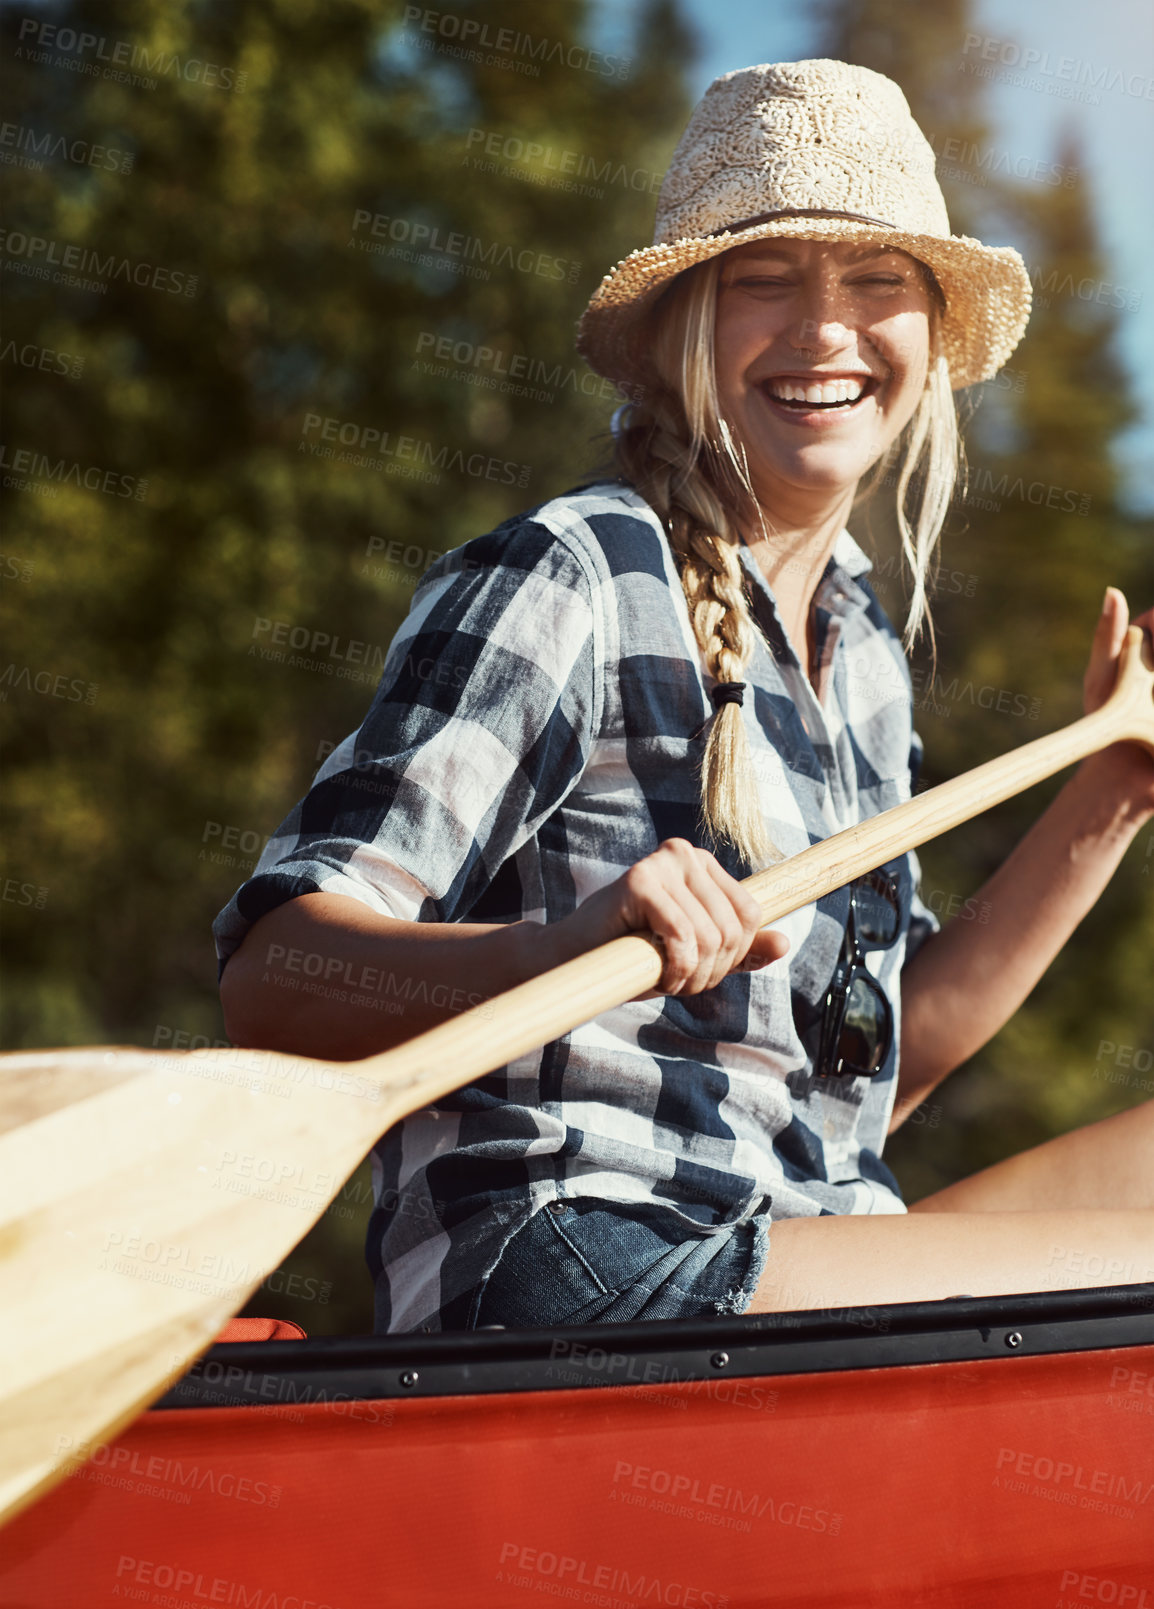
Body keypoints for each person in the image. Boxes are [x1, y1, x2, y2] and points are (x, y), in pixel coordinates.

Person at [214, 59, 1154, 1333]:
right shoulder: (571, 573)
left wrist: (1112, 783)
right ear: (680, 335)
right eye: (764, 280)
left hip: (792, 1227)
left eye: (875, 280)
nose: (824, 328)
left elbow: (882, 1071)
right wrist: (556, 948)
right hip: (572, 1257)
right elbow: (275, 976)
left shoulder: (863, 650)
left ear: (929, 338)